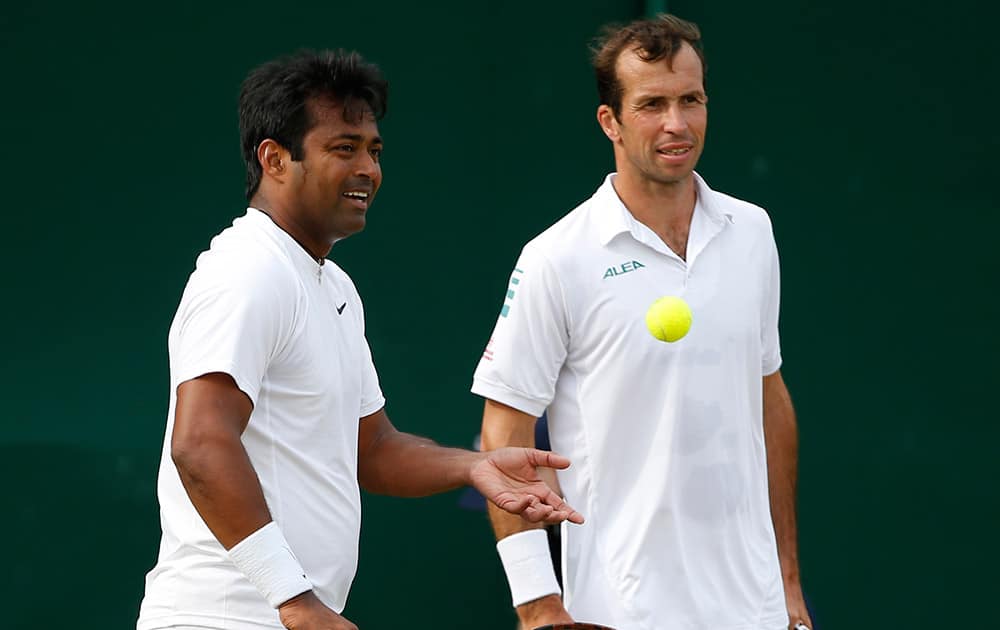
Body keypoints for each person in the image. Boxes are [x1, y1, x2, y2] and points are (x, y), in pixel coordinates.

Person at [136, 49, 582, 630]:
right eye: (343, 148)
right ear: (274, 159)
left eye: (373, 149)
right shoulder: (248, 271)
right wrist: (295, 600)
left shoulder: (332, 284)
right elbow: (199, 443)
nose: (368, 168)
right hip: (222, 618)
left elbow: (372, 450)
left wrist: (474, 467)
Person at [472, 14, 812, 630]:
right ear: (611, 122)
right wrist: (538, 604)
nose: (676, 124)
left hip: (756, 610)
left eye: (691, 100)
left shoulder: (753, 233)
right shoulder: (557, 258)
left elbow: (769, 399)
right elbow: (504, 433)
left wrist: (789, 584)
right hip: (621, 612)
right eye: (652, 104)